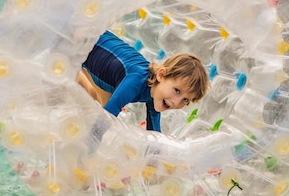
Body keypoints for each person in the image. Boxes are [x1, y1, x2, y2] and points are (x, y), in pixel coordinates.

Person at [77, 30, 209, 132]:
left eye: (185, 100)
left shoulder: (157, 95)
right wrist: (87, 155)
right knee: (107, 109)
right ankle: (78, 77)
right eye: (177, 91)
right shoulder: (135, 81)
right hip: (82, 39)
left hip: (95, 63)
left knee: (102, 101)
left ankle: (80, 79)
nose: (176, 102)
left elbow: (155, 136)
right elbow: (105, 119)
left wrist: (154, 163)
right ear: (161, 75)